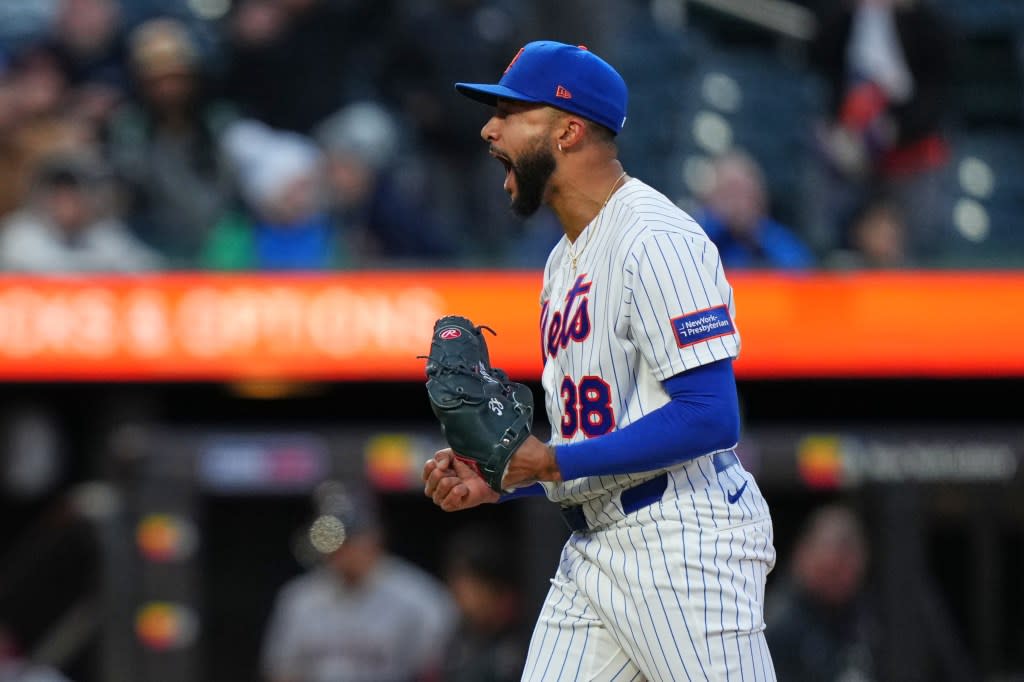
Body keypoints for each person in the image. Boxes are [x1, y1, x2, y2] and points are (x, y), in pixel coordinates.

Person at [424, 41, 777, 681]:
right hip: (596, 544)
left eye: (511, 112)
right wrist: (506, 475)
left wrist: (553, 461)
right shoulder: (563, 261)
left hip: (684, 543)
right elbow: (589, 437)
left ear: (567, 131)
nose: (489, 128)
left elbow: (711, 416)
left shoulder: (656, 238)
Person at [261, 481, 456, 682]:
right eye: (331, 538)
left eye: (348, 540)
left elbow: (436, 671)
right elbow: (283, 672)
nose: (339, 550)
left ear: (374, 537)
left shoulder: (420, 598)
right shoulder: (299, 599)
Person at [764, 505, 879, 681]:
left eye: (849, 569)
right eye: (832, 571)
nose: (842, 578)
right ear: (803, 556)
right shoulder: (778, 623)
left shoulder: (865, 617)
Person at [0, 151, 161, 272]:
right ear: (42, 199)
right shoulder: (20, 234)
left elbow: (150, 271)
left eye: (73, 193)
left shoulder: (105, 235)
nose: (66, 202)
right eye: (58, 194)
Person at [697, 150, 815, 270]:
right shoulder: (699, 237)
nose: (738, 203)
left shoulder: (776, 240)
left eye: (745, 192)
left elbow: (801, 271)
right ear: (711, 198)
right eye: (729, 193)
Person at [441, 527, 528, 682]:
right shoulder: (459, 636)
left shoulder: (521, 646)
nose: (457, 592)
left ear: (493, 589)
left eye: (468, 584)